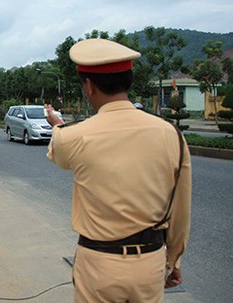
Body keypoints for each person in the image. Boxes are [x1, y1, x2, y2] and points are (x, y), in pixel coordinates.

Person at [45, 38, 191, 303]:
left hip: (99, 264)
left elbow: (59, 150)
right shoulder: (171, 134)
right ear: (129, 80)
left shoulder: (73, 136)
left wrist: (58, 124)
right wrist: (174, 259)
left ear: (89, 86)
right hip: (151, 261)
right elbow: (181, 207)